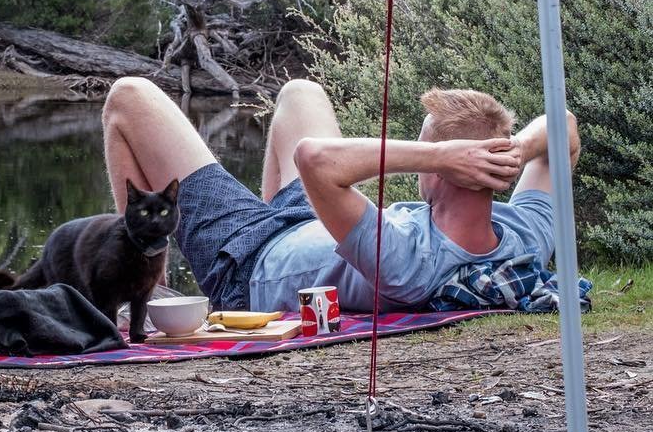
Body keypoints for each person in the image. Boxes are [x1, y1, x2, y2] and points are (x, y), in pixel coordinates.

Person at [101, 77, 580, 312]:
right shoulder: (525, 235)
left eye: (431, 155)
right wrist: (516, 149)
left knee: (128, 96)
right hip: (317, 220)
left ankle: (132, 288)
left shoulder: (411, 260)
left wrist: (436, 155)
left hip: (249, 260)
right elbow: (565, 128)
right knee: (301, 92)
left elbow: (313, 158)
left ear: (442, 171)